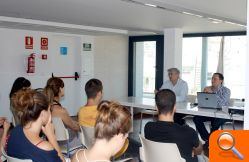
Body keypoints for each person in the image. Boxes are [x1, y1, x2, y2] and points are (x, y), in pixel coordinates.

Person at [144, 89, 202, 162]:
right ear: (174, 107)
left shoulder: (148, 127)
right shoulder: (188, 132)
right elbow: (199, 151)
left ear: (156, 108)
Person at [7, 89, 64, 162]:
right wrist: (51, 137)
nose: (50, 113)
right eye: (49, 109)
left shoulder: (15, 131)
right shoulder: (45, 147)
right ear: (43, 114)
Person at [193, 73, 230, 147]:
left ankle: (209, 141)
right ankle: (208, 138)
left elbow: (222, 103)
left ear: (221, 81)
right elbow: (201, 102)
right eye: (212, 78)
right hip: (209, 113)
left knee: (217, 121)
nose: (212, 80)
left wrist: (212, 94)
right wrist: (204, 95)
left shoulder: (226, 90)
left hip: (222, 114)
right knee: (196, 118)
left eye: (215, 79)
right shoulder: (207, 88)